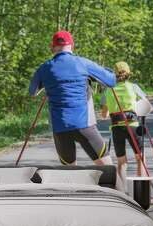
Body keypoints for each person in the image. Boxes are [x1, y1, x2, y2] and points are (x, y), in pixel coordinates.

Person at [29, 31, 116, 166]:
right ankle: (115, 187)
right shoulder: (83, 63)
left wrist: (48, 83)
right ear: (72, 46)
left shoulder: (44, 68)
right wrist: (107, 71)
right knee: (108, 169)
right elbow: (111, 81)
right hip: (85, 126)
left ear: (52, 47)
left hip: (60, 128)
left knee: (69, 176)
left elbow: (32, 92)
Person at [100, 62, 153, 202]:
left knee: (121, 162)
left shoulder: (108, 90)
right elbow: (148, 107)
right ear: (128, 73)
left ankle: (123, 196)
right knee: (140, 159)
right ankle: (143, 196)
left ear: (114, 74)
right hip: (132, 125)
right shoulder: (133, 87)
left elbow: (104, 115)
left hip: (116, 127)